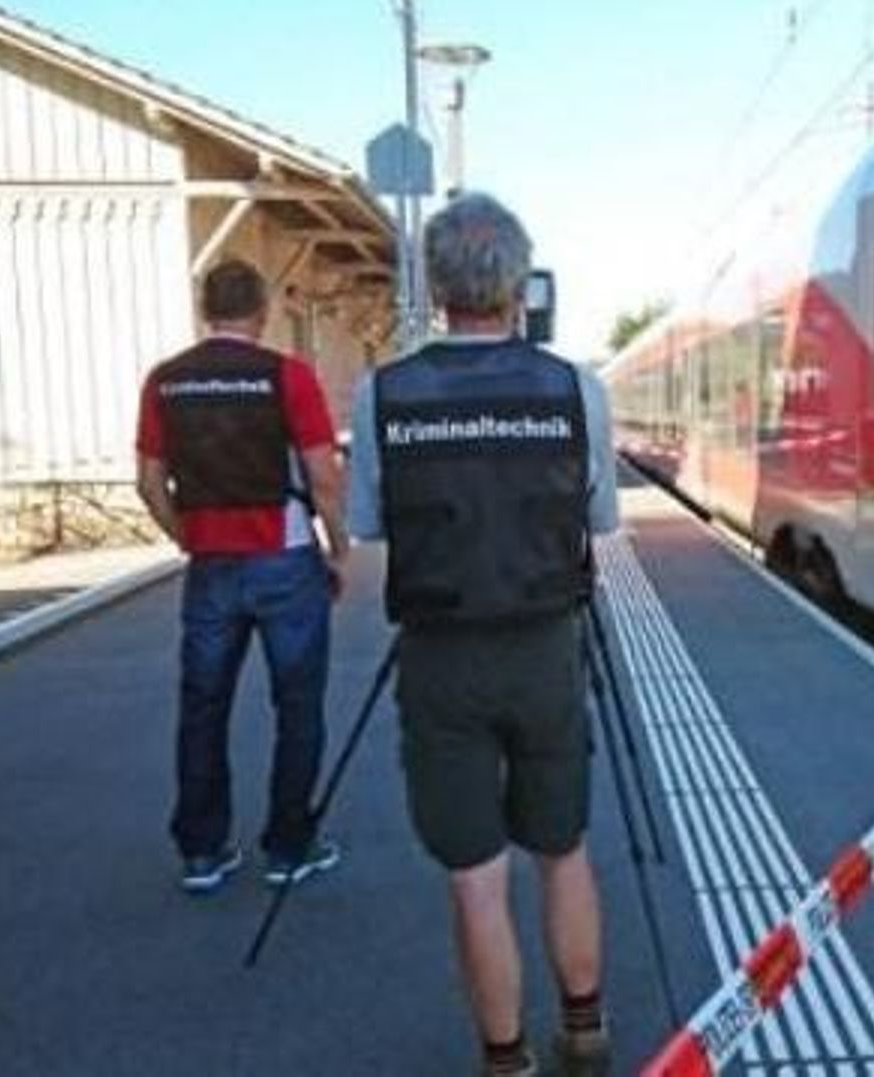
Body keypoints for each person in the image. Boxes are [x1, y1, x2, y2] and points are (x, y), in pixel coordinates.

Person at [348, 193, 619, 1077]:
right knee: (563, 845)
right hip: (546, 647)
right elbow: (600, 518)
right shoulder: (576, 389)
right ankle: (585, 1028)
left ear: (435, 284)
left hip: (440, 657)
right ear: (516, 282)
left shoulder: (382, 393)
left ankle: (505, 1060)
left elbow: (372, 527)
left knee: (474, 871)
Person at [135, 258, 349, 895]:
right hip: (284, 560)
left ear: (206, 310)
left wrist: (188, 538)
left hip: (211, 568)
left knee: (203, 707)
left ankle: (203, 851)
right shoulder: (288, 376)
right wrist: (338, 550)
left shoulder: (164, 382)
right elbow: (324, 476)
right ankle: (289, 847)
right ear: (261, 312)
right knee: (298, 706)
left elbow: (148, 484)